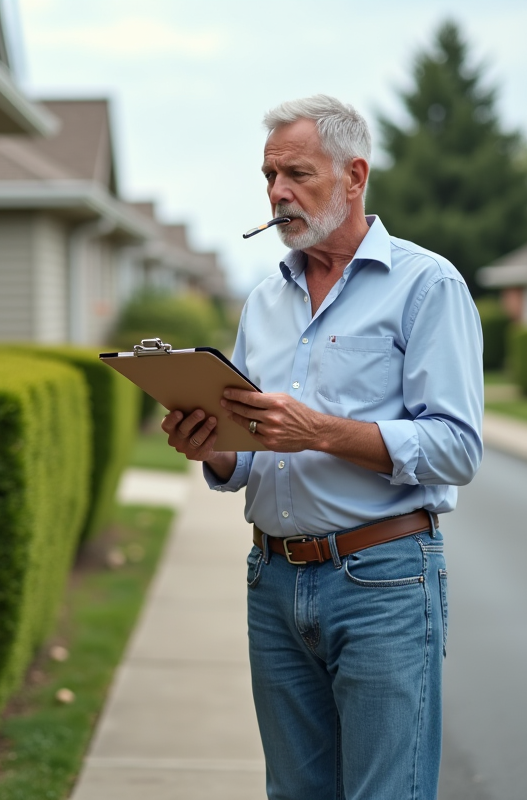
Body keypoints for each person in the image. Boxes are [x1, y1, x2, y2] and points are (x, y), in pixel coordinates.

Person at [160, 95, 484, 800]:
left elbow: (457, 448)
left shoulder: (427, 285)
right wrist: (210, 447)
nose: (278, 192)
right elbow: (249, 451)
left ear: (354, 176)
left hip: (383, 583)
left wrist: (320, 432)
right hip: (272, 583)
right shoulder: (263, 302)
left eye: (297, 174)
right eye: (269, 176)